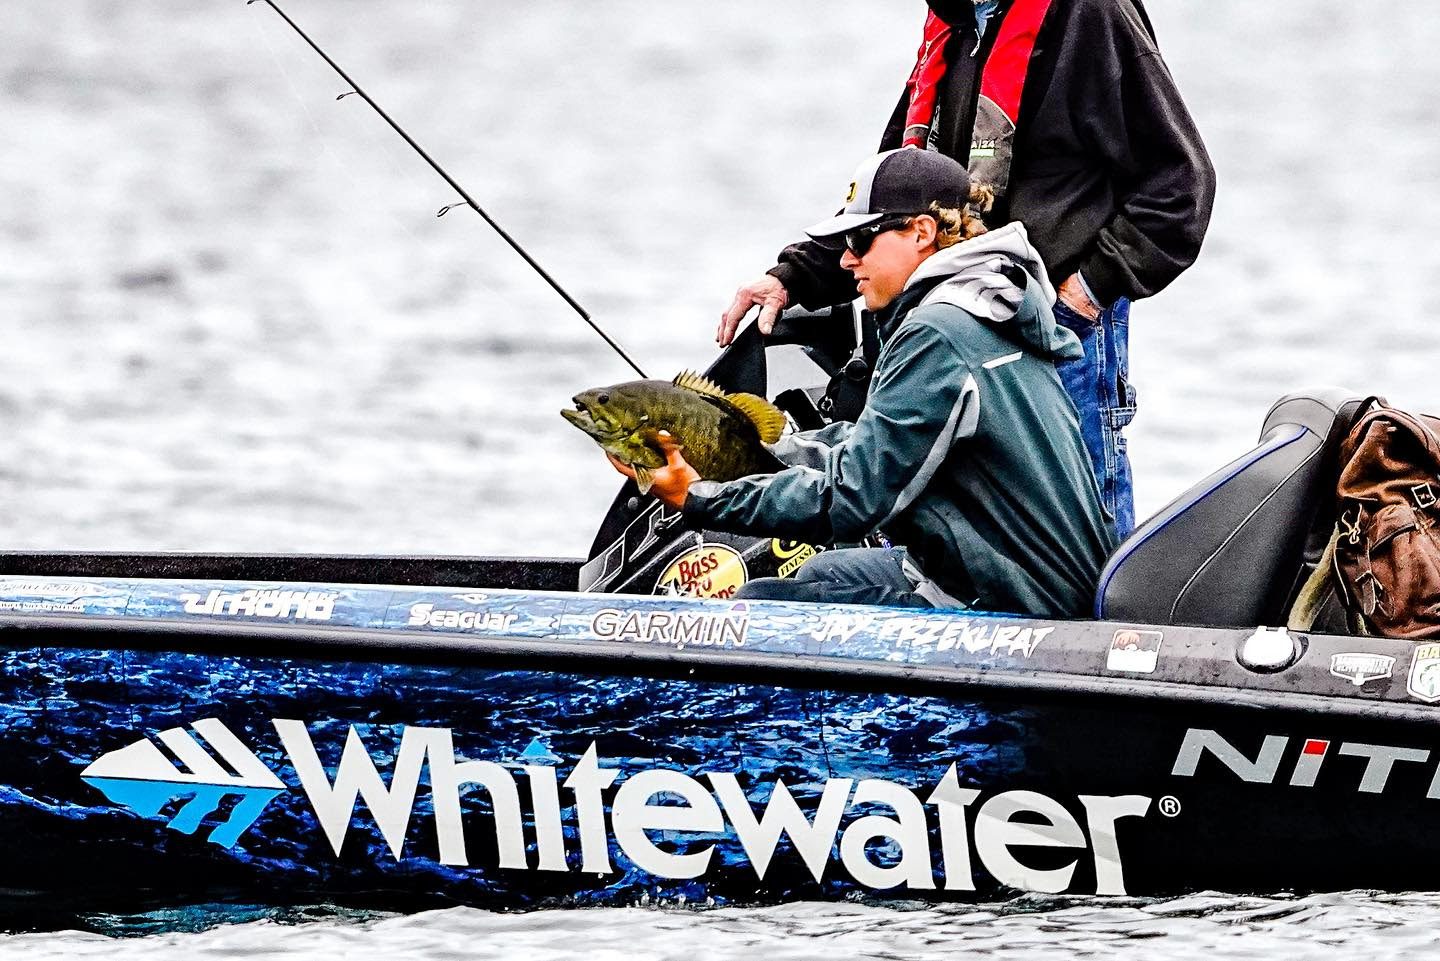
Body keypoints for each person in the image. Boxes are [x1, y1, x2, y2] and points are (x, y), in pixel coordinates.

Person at [717, 0, 1216, 538]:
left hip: (1060, 330)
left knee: (1082, 530)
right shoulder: (956, 24)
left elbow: (1181, 186)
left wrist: (1082, 296)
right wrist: (792, 277)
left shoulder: (1089, 13)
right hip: (953, 333)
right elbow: (892, 200)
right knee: (972, 535)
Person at [612, 148, 1114, 616]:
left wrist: (699, 497)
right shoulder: (988, 307)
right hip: (1022, 577)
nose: (846, 260)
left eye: (859, 240)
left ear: (921, 232)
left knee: (760, 605)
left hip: (1018, 604)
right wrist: (753, 452)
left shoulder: (937, 332)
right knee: (821, 572)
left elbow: (853, 499)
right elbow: (876, 448)